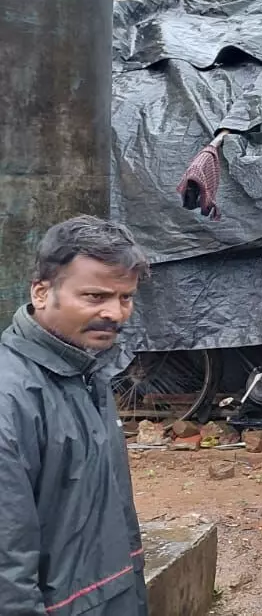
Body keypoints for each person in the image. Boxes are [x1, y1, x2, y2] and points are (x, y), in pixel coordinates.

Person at [0, 216, 149, 615]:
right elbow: (6, 564)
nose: (115, 313)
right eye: (95, 296)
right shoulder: (11, 397)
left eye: (125, 297)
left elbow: (115, 511)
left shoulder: (88, 373)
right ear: (42, 292)